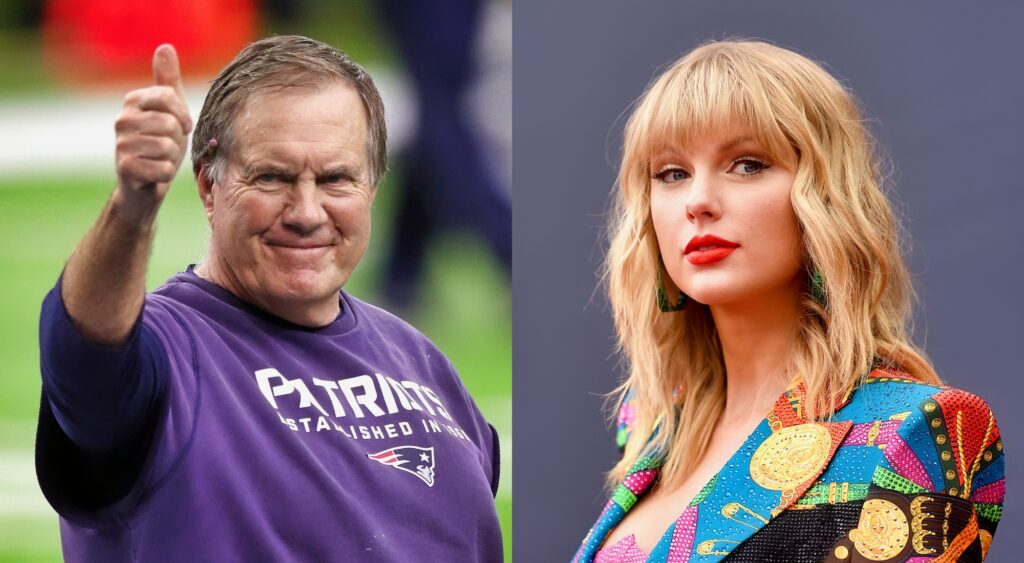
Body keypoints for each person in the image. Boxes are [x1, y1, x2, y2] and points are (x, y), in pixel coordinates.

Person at [36, 36, 502, 562]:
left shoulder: (427, 367)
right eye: (273, 177)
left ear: (372, 188)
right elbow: (84, 350)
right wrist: (133, 205)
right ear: (209, 187)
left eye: (335, 179)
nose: (306, 211)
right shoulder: (165, 357)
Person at [572, 41, 1004, 562]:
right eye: (671, 173)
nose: (698, 201)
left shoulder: (921, 432)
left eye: (747, 164)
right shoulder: (652, 425)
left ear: (825, 196)